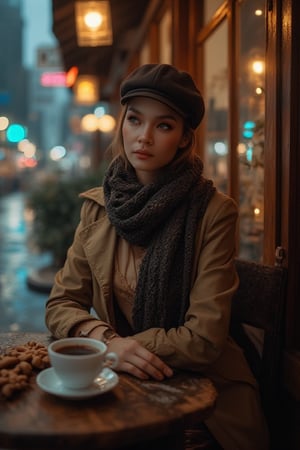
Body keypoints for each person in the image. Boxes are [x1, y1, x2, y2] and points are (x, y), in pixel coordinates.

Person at [45, 63, 269, 450]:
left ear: (183, 138)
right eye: (135, 120)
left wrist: (120, 349)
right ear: (123, 123)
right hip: (123, 382)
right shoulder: (98, 208)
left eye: (163, 126)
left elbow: (202, 340)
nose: (143, 137)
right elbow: (61, 303)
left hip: (206, 398)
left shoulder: (213, 211)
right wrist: (106, 341)